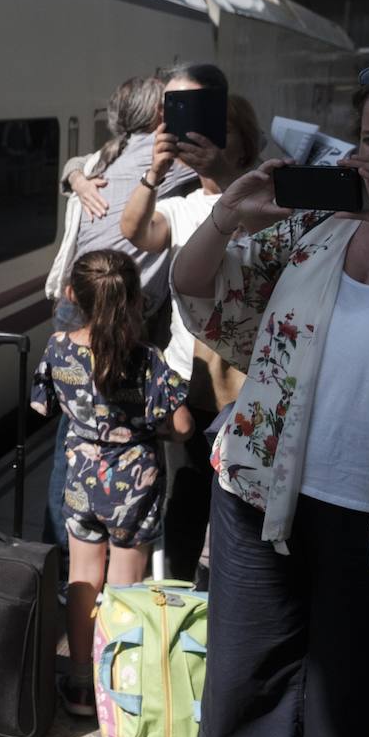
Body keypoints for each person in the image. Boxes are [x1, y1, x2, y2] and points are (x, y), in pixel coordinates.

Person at [171, 67, 369, 737]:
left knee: (351, 733)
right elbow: (201, 295)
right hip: (262, 490)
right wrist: (226, 217)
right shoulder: (319, 226)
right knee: (245, 708)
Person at [31, 249, 192, 716]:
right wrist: (149, 425)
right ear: (136, 301)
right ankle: (116, 689)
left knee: (82, 579)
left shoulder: (59, 346)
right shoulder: (146, 359)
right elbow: (180, 426)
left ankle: (80, 686)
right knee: (126, 587)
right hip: (134, 485)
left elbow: (43, 406)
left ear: (71, 296)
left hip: (82, 477)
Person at [42, 75, 197, 557]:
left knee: (75, 430)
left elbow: (72, 162)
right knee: (117, 424)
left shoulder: (105, 157)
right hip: (119, 307)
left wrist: (74, 176)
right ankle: (122, 528)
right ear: (158, 119)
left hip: (75, 304)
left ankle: (68, 546)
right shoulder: (170, 163)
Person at [121, 81, 260, 580]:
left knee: (238, 497)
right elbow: (135, 230)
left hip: (247, 381)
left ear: (245, 141)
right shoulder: (180, 208)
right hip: (191, 374)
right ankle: (180, 596)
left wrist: (226, 174)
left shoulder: (266, 198)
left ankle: (228, 586)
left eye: (221, 132)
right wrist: (154, 173)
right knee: (193, 487)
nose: (206, 141)